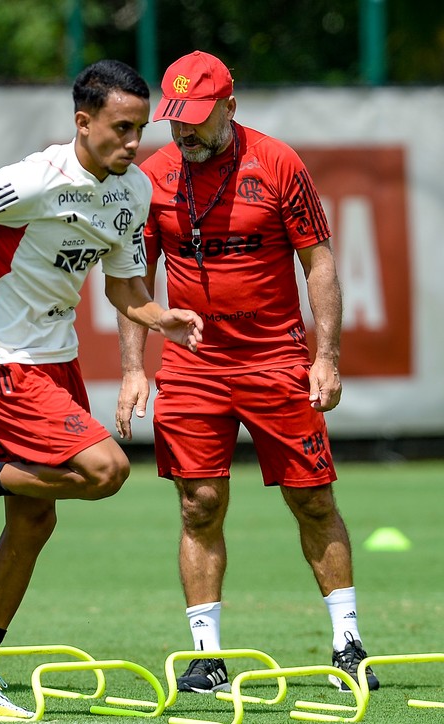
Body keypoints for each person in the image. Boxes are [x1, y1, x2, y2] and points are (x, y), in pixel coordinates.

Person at [0, 60, 203, 717]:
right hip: (3, 361)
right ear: (83, 123)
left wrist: (157, 315)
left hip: (57, 362)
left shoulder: (132, 191)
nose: (133, 142)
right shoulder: (37, 178)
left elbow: (123, 288)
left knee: (36, 521)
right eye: (120, 128)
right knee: (106, 470)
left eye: (140, 129)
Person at [114, 50, 379, 695]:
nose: (184, 132)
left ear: (230, 108)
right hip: (192, 362)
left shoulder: (280, 163)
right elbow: (131, 277)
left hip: (276, 357)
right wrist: (133, 367)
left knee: (313, 498)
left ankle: (348, 642)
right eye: (175, 119)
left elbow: (318, 263)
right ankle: (206, 656)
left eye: (198, 119)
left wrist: (327, 357)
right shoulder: (153, 177)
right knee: (199, 504)